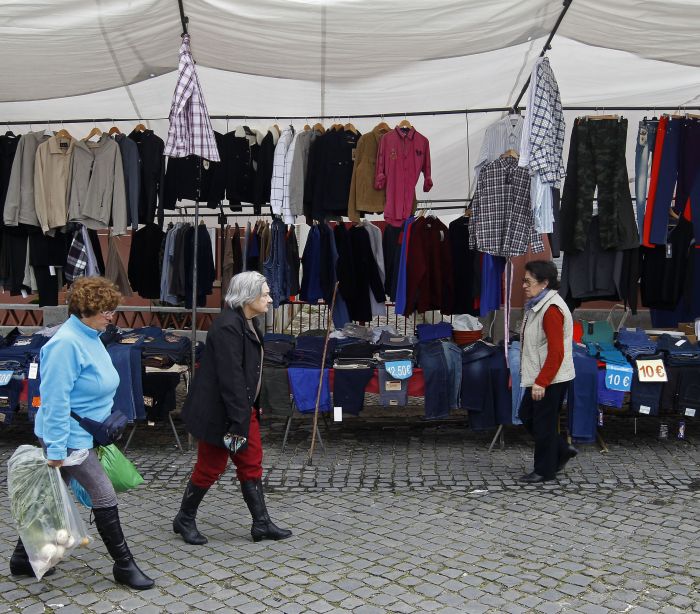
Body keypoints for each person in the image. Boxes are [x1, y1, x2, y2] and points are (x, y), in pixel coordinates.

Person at [10, 277, 154, 589]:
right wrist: (58, 451)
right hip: (68, 436)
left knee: (48, 497)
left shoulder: (91, 335)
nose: (111, 317)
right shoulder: (65, 344)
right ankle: (124, 565)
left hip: (87, 433)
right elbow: (55, 402)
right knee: (103, 494)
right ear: (86, 310)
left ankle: (22, 557)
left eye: (112, 311)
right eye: (106, 311)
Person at [173, 271, 292, 545]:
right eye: (264, 294)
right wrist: (239, 421)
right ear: (248, 297)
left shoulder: (248, 321)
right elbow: (231, 378)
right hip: (221, 414)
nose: (270, 299)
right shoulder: (228, 326)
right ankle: (184, 518)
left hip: (241, 410)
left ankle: (261, 523)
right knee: (210, 466)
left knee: (251, 463)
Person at [518, 260, 577, 483]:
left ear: (544, 283)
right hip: (542, 374)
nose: (524, 285)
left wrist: (542, 381)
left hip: (550, 377)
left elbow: (556, 352)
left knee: (543, 423)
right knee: (527, 415)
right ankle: (561, 449)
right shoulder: (539, 304)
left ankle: (544, 470)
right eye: (524, 280)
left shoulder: (551, 310)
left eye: (528, 281)